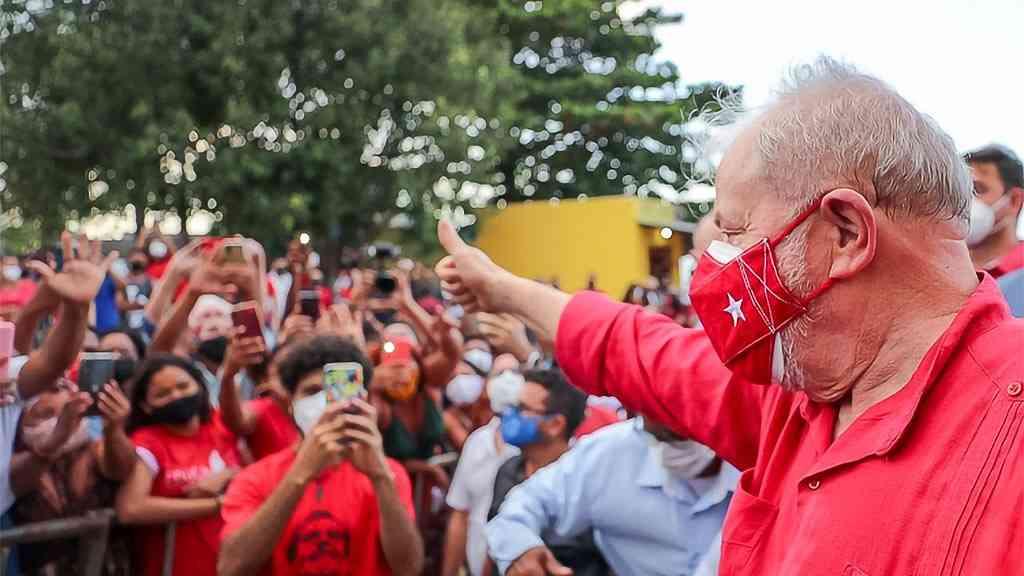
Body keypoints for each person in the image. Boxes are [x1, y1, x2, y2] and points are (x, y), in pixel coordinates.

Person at [436, 57, 1024, 574]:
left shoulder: (1007, 431)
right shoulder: (799, 393)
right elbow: (632, 346)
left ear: (846, 233)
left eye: (736, 232)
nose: (715, 266)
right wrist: (499, 288)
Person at [217, 334, 423, 576]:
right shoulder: (255, 479)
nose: (325, 403)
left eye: (337, 391)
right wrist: (300, 474)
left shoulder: (388, 474)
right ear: (291, 403)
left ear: (363, 399)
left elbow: (409, 568)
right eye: (312, 391)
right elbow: (231, 568)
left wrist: (381, 478)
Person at [486, 416, 737, 576]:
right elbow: (524, 504)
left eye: (686, 431)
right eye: (662, 434)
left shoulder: (755, 456)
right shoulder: (609, 455)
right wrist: (520, 548)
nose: (673, 426)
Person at [116, 355, 244, 576]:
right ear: (146, 405)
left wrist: (228, 475)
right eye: (163, 394)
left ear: (199, 387)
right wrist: (215, 504)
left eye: (183, 386)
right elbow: (131, 508)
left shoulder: (221, 425)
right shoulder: (147, 442)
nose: (176, 396)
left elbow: (254, 470)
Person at [9, 379, 135, 575]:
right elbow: (16, 480)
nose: (62, 424)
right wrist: (54, 441)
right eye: (46, 415)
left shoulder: (96, 450)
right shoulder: (16, 461)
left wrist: (114, 428)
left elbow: (122, 468)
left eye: (69, 416)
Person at [484, 369, 603, 576]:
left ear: (555, 424)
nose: (509, 413)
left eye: (521, 408)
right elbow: (494, 543)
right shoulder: (509, 469)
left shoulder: (587, 484)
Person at [441, 361, 523, 576]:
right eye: (499, 373)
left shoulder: (533, 444)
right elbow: (460, 514)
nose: (507, 379)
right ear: (488, 384)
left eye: (514, 371)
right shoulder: (477, 441)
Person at [963, 144, 1024, 277]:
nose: (963, 203)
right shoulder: (942, 270)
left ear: (1014, 200)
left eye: (976, 190)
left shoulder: (1020, 273)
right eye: (960, 191)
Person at [118, 248, 155, 333]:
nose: (137, 262)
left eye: (140, 260)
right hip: (125, 328)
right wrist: (136, 305)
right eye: (135, 260)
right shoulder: (121, 281)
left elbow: (157, 304)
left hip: (145, 329)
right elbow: (118, 304)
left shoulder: (152, 282)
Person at [0, 254, 37, 322]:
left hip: (24, 324)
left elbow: (33, 307)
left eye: (14, 265)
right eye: (8, 265)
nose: (12, 268)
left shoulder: (29, 285)